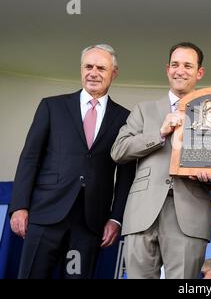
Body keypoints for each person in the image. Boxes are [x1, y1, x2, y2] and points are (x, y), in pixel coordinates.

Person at [111, 42, 211, 279]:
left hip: (190, 212)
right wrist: (159, 133)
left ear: (199, 72)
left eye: (188, 66)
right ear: (167, 69)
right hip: (143, 212)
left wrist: (210, 177)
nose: (180, 70)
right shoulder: (144, 110)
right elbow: (118, 151)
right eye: (175, 65)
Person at [9, 44, 135, 279]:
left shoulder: (125, 119)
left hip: (90, 223)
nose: (93, 73)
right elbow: (29, 158)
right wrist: (19, 206)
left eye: (101, 68)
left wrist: (116, 218)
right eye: (88, 66)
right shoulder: (52, 106)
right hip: (45, 214)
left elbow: (126, 175)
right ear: (81, 69)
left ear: (113, 73)